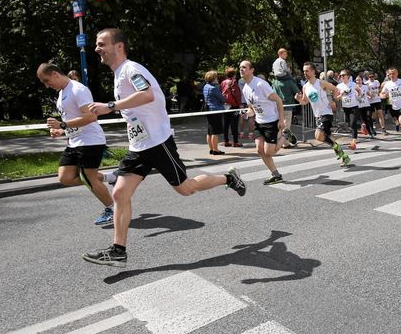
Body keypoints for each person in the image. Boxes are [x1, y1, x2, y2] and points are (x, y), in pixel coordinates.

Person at [83, 28, 246, 267]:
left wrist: (111, 105)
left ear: (119, 46)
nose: (97, 48)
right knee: (119, 193)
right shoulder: (118, 73)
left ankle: (228, 178)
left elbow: (147, 94)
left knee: (186, 188)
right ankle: (118, 251)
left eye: (101, 44)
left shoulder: (131, 69)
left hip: (158, 142)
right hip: (140, 145)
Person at [37, 63, 116, 226]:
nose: (46, 85)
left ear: (55, 74)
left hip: (90, 141)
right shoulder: (62, 93)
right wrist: (61, 131)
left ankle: (113, 209)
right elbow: (72, 121)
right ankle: (110, 177)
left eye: (46, 80)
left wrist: (63, 125)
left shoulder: (78, 90)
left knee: (88, 178)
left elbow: (91, 117)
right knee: (65, 177)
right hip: (75, 141)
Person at [240, 61, 288, 185]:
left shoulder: (261, 84)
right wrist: (246, 114)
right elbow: (252, 109)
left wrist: (281, 119)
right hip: (259, 121)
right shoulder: (245, 88)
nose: (241, 69)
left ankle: (285, 135)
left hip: (271, 121)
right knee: (259, 150)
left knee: (269, 152)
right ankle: (276, 175)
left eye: (244, 67)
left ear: (251, 70)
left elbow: (278, 101)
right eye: (240, 67)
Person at [295, 62, 351, 165]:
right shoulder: (305, 87)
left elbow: (335, 89)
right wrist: (299, 99)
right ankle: (344, 156)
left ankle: (337, 148)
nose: (305, 73)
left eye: (307, 71)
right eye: (304, 71)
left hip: (326, 113)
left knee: (318, 135)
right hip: (317, 116)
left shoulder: (320, 82)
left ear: (313, 71)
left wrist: (334, 101)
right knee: (328, 137)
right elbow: (305, 102)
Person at [271, 48, 298, 143]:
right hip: (288, 105)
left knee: (279, 124)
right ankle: (284, 142)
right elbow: (285, 70)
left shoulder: (274, 82)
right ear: (281, 54)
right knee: (286, 125)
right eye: (285, 54)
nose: (286, 55)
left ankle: (277, 141)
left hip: (278, 106)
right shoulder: (289, 81)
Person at [336, 70, 362, 150]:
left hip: (354, 106)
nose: (342, 77)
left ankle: (353, 143)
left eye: (343, 75)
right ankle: (361, 125)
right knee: (349, 124)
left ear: (348, 76)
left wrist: (359, 96)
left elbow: (359, 90)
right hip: (345, 107)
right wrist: (341, 95)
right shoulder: (339, 86)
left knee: (353, 123)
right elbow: (336, 98)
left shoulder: (352, 84)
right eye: (340, 75)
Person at [202, 70, 227, 155]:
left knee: (210, 131)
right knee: (215, 132)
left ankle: (211, 149)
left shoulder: (205, 86)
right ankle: (216, 150)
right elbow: (222, 99)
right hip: (216, 110)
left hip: (208, 110)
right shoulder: (214, 88)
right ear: (213, 78)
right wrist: (224, 96)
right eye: (216, 77)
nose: (218, 79)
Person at [220, 67, 243, 147]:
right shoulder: (233, 82)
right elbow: (237, 95)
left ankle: (226, 141)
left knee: (226, 123)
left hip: (226, 105)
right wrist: (240, 104)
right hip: (234, 106)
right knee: (234, 123)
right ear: (233, 74)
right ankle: (235, 142)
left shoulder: (223, 82)